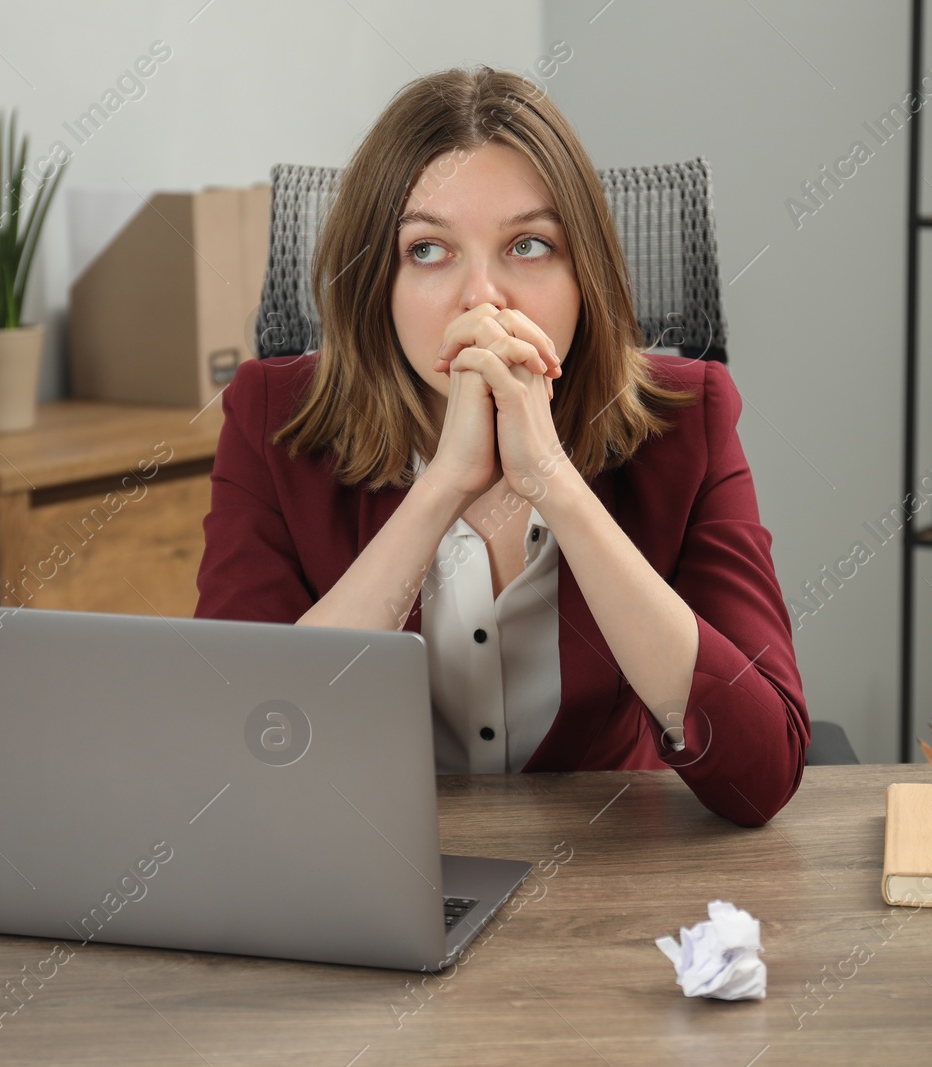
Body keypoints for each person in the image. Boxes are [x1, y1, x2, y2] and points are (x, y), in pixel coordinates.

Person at [195, 65, 808, 827]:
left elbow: (764, 772)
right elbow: (241, 755)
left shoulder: (688, 417)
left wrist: (553, 480)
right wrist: (443, 488)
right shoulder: (268, 417)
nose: (482, 298)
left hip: (603, 879)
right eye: (427, 250)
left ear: (587, 274)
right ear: (373, 285)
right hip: (371, 867)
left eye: (528, 244)